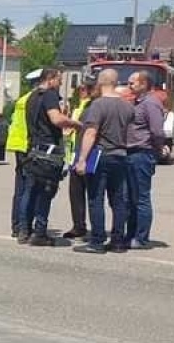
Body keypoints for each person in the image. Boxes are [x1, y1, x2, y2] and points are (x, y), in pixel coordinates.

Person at [14, 67, 79, 246]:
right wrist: (75, 123)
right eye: (59, 80)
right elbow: (56, 119)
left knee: (29, 190)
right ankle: (40, 232)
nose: (60, 84)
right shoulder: (50, 95)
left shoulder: (31, 97)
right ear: (50, 79)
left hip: (33, 150)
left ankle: (23, 230)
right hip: (48, 152)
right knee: (45, 192)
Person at [71, 68, 134, 253]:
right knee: (118, 200)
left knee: (95, 198)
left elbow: (91, 132)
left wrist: (82, 159)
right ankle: (117, 240)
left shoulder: (98, 105)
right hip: (121, 155)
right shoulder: (127, 106)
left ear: (101, 83)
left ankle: (97, 240)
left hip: (100, 155)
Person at [124, 69, 167, 248]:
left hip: (142, 154)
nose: (129, 85)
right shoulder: (136, 102)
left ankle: (141, 238)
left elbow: (157, 131)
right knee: (128, 198)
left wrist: (158, 148)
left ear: (144, 84)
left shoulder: (151, 103)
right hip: (130, 154)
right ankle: (130, 234)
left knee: (141, 197)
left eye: (132, 82)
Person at [5, 68, 42, 238]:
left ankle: (16, 225)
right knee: (29, 188)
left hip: (18, 146)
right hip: (27, 146)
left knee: (20, 188)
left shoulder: (22, 99)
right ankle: (23, 225)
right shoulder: (33, 101)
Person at [62, 77, 97, 239]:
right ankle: (78, 225)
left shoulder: (94, 105)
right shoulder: (78, 106)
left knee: (92, 192)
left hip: (89, 152)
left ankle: (96, 227)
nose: (80, 92)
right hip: (75, 152)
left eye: (83, 89)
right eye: (80, 89)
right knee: (75, 192)